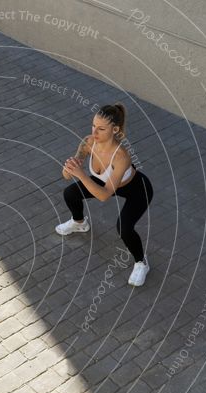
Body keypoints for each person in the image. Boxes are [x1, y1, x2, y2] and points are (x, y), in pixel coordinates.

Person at [56, 103, 154, 286]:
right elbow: (67, 176)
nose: (94, 132)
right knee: (70, 193)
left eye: (101, 128)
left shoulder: (121, 156)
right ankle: (79, 223)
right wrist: (69, 168)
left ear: (115, 129)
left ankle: (142, 262)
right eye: (93, 125)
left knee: (124, 228)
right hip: (106, 183)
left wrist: (81, 174)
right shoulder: (88, 142)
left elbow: (104, 196)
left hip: (136, 189)